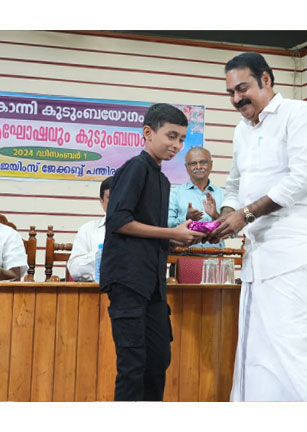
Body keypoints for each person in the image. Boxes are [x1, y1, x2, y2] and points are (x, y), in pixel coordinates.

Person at [207, 52, 307, 401]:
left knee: (294, 352)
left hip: (296, 254)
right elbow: (234, 184)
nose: (236, 99)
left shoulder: (299, 114)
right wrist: (226, 214)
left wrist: (245, 215)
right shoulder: (241, 131)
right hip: (258, 257)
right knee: (256, 355)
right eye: (231, 92)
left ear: (266, 80)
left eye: (243, 88)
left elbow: (305, 178)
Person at [99, 103, 206, 401]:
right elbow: (119, 221)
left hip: (154, 286)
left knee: (158, 362)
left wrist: (180, 238)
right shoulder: (136, 168)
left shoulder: (161, 179)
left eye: (182, 139)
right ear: (148, 133)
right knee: (133, 367)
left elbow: (151, 235)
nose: (177, 145)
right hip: (128, 282)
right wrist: (171, 233)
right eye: (171, 136)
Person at [168, 147, 225, 248]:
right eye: (193, 163)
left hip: (215, 259)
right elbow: (167, 227)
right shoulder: (175, 194)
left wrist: (216, 216)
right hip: (184, 258)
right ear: (186, 167)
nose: (198, 167)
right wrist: (186, 218)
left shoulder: (223, 195)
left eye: (203, 162)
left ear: (211, 165)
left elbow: (233, 232)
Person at [66, 177, 112, 281]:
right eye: (110, 197)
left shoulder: (140, 231)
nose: (116, 202)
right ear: (102, 202)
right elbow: (74, 269)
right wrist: (101, 255)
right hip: (94, 291)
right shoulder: (88, 230)